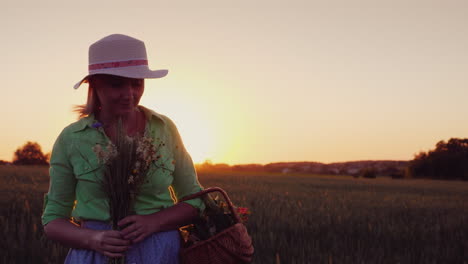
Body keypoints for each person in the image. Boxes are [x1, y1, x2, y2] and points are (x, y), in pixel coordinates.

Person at [42, 34, 205, 264]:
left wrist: (153, 222)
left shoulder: (164, 128)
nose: (129, 95)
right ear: (95, 84)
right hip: (96, 256)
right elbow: (53, 220)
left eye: (137, 84)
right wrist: (94, 239)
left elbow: (195, 201)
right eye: (117, 84)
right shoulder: (72, 138)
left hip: (161, 253)